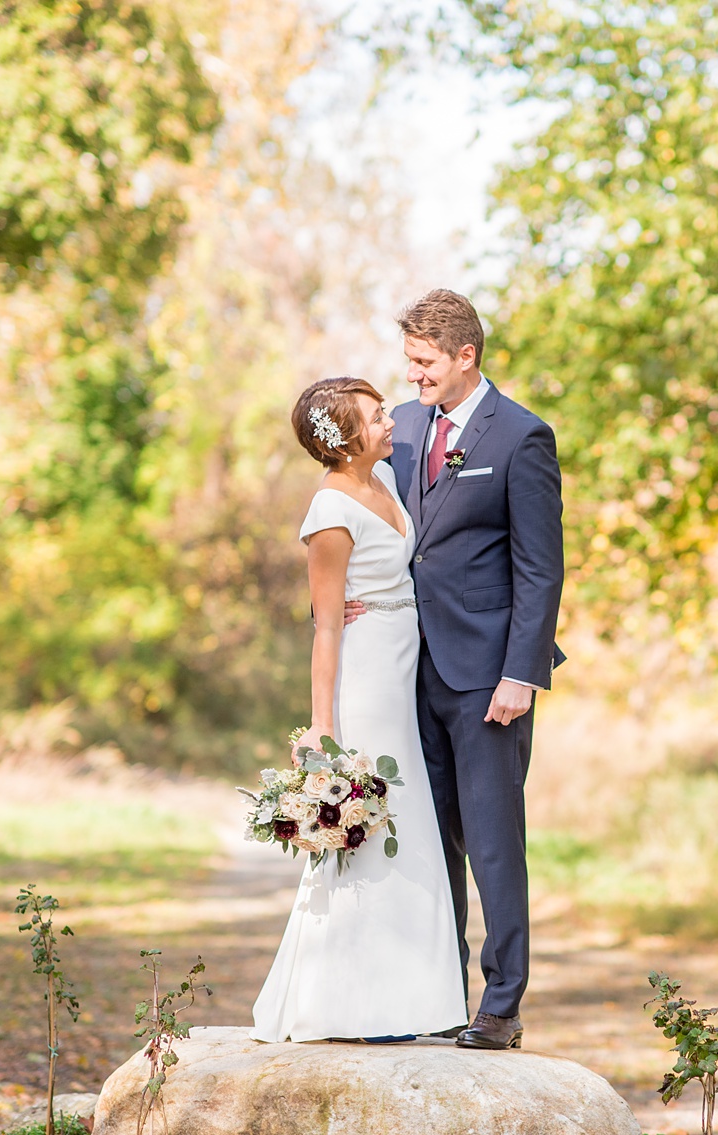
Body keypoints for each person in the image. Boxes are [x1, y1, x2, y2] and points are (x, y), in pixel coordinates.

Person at [349, 289, 566, 1050]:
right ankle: (439, 994)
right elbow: (374, 522)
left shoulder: (522, 437)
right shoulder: (403, 428)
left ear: (465, 356)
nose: (412, 377)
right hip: (410, 667)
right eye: (409, 360)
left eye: (424, 362)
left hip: (487, 679)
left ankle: (501, 1005)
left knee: (492, 840)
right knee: (429, 837)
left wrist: (522, 672)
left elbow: (541, 570)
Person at [249, 376, 468, 1044]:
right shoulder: (329, 509)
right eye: (377, 417)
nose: (390, 423)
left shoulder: (386, 483)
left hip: (407, 662)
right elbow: (325, 626)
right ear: (344, 437)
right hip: (368, 672)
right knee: (376, 818)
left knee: (414, 822)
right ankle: (356, 1004)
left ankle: (413, 1000)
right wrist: (321, 724)